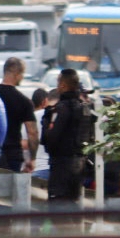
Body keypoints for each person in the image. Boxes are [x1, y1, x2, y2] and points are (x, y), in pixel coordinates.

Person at [0, 58, 38, 212]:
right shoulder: (23, 101)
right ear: (16, 73)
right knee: (8, 199)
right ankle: (3, 232)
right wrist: (32, 158)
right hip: (12, 153)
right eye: (22, 74)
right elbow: (32, 133)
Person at [40, 69, 88, 204]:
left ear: (62, 85)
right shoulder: (84, 109)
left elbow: (49, 140)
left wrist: (45, 122)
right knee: (73, 208)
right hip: (79, 167)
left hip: (61, 167)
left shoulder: (61, 109)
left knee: (57, 208)